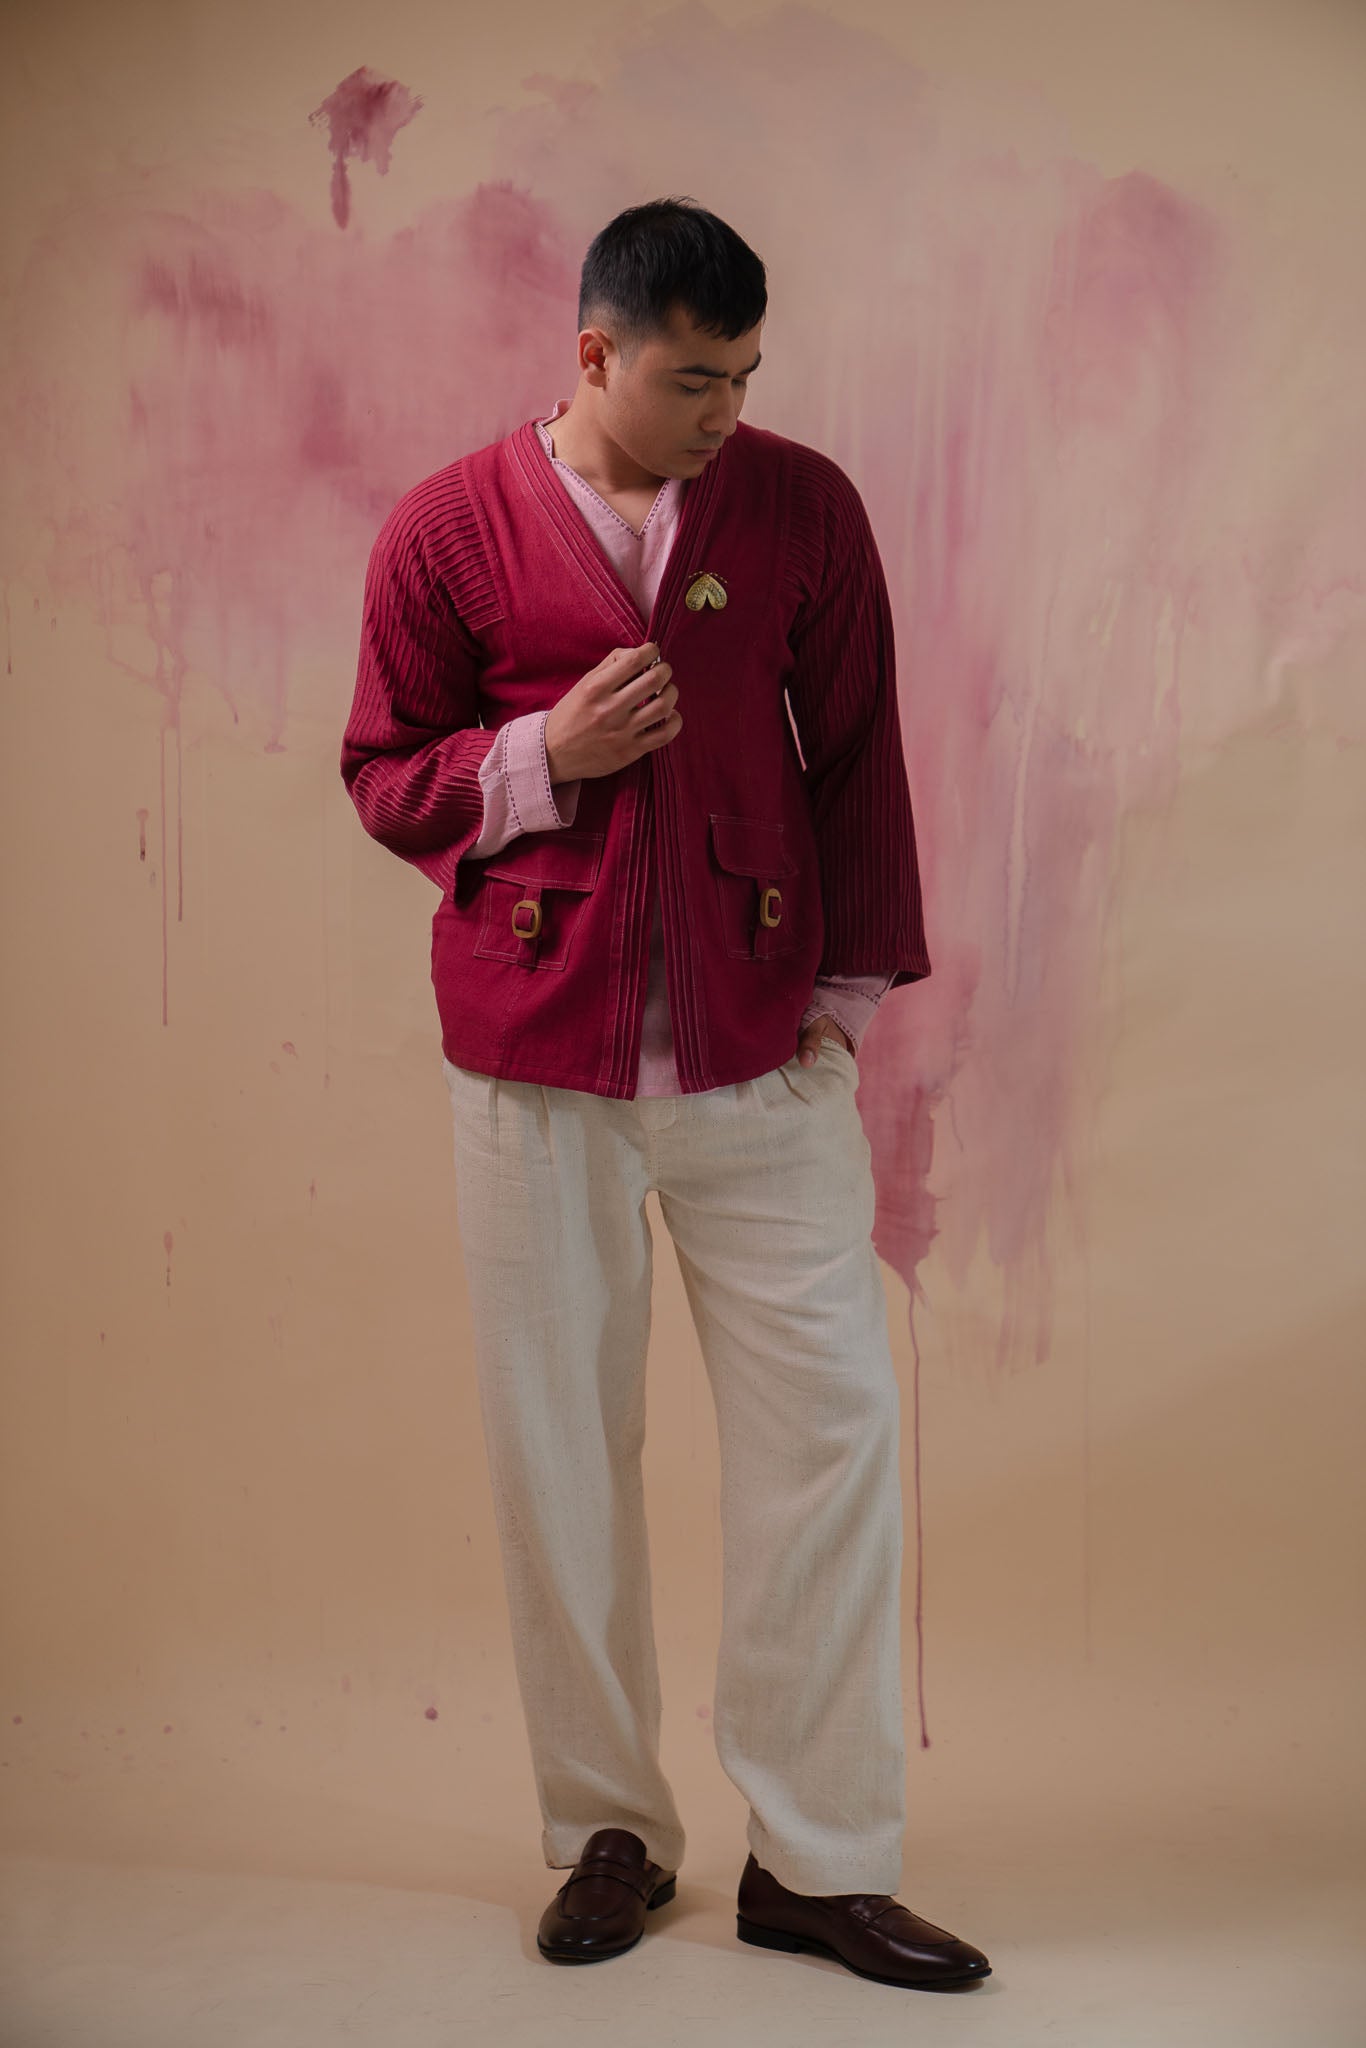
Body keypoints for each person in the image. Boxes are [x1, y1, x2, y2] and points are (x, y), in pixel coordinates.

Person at [340, 196, 990, 1990]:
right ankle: (605, 1834)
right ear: (595, 353)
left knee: (831, 1440)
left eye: (747, 377)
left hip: (759, 1053)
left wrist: (839, 1004)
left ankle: (819, 1861)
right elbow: (384, 773)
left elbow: (853, 753)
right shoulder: (447, 529)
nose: (726, 411)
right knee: (557, 1454)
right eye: (695, 379)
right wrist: (540, 757)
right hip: (528, 1060)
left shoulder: (803, 508)